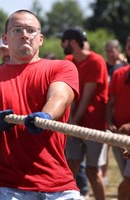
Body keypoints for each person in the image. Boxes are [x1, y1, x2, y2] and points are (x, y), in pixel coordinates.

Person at [0, 9, 80, 200]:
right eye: (17, 29)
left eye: (31, 30)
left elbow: (59, 97)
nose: (24, 35)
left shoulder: (61, 67)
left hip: (58, 183)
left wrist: (46, 117)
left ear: (41, 39)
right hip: (6, 184)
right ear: (5, 38)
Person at [60, 27, 108, 200]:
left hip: (94, 125)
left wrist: (73, 121)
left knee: (92, 171)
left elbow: (87, 95)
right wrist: (70, 121)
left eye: (63, 41)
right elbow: (69, 93)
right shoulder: (68, 60)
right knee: (70, 166)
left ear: (72, 43)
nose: (61, 45)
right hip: (74, 124)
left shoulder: (96, 61)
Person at [106, 64, 130, 200]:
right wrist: (109, 122)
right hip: (119, 136)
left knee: (127, 182)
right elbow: (110, 103)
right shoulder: (119, 74)